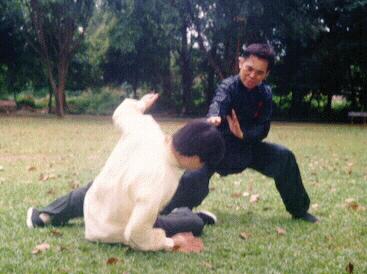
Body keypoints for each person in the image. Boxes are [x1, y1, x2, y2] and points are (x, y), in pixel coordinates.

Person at [27, 93, 225, 252]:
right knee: (194, 223)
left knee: (98, 185)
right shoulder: (159, 179)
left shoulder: (147, 128)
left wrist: (139, 104)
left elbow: (121, 113)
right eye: (202, 164)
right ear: (196, 159)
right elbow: (135, 235)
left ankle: (45, 215)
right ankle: (186, 216)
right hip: (112, 231)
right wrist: (171, 243)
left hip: (96, 204)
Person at [161, 43, 318, 223]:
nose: (252, 75)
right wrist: (214, 117)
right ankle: (169, 213)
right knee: (194, 177)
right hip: (218, 148)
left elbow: (263, 128)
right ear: (241, 63)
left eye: (259, 73)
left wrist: (243, 134)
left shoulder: (265, 94)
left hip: (247, 147)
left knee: (284, 157)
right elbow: (219, 101)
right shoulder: (228, 86)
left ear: (266, 74)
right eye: (249, 68)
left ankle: (300, 210)